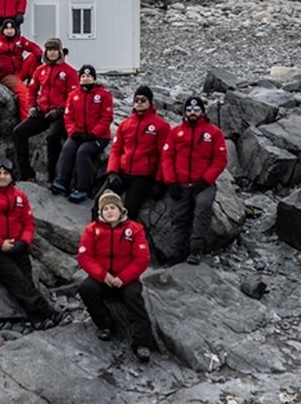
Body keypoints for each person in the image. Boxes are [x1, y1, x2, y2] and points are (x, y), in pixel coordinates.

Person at [0, 157, 65, 330]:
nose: (2, 176)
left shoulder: (20, 196)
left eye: (6, 173)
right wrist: (0, 244)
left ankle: (36, 319)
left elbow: (28, 222)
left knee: (26, 281)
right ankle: (50, 312)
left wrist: (24, 241)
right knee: (18, 281)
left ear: (11, 176)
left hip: (18, 247)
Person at [76, 191, 155, 363]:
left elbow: (142, 258)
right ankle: (104, 325)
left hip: (126, 279)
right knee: (85, 289)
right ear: (100, 212)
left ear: (121, 210)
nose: (109, 211)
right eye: (105, 209)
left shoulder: (134, 229)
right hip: (102, 278)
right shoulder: (92, 230)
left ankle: (142, 342)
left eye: (113, 208)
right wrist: (102, 275)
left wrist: (123, 278)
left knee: (134, 297)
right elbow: (84, 256)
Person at [160, 95, 229, 265]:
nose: (192, 113)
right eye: (189, 110)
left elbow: (220, 159)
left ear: (202, 112)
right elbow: (167, 157)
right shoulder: (175, 132)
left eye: (196, 110)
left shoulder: (213, 132)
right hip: (180, 182)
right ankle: (176, 252)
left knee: (202, 209)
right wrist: (171, 182)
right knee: (179, 217)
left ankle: (196, 250)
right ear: (184, 112)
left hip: (203, 184)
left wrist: (206, 180)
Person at [12, 37, 78, 182]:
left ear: (60, 52)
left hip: (59, 114)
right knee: (18, 132)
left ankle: (53, 177)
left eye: (54, 50)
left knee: (52, 137)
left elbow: (74, 96)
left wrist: (61, 110)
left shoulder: (70, 72)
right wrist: (32, 107)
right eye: (49, 50)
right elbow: (32, 90)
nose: (52, 53)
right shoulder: (40, 70)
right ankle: (26, 172)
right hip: (43, 112)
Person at [104, 86, 171, 221]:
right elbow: (116, 149)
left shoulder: (161, 126)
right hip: (122, 172)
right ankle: (97, 237)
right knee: (102, 202)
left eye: (143, 100)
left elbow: (164, 156)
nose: (139, 102)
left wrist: (160, 181)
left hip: (143, 175)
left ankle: (125, 240)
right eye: (136, 100)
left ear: (150, 103)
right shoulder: (125, 124)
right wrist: (112, 172)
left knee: (130, 209)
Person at [51, 64, 114, 204]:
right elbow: (68, 116)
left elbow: (106, 117)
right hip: (79, 133)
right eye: (83, 76)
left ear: (94, 78)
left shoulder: (103, 95)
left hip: (98, 136)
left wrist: (94, 133)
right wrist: (73, 131)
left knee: (83, 152)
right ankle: (61, 181)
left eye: (89, 76)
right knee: (68, 148)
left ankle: (82, 188)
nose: (86, 79)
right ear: (79, 79)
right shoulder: (73, 95)